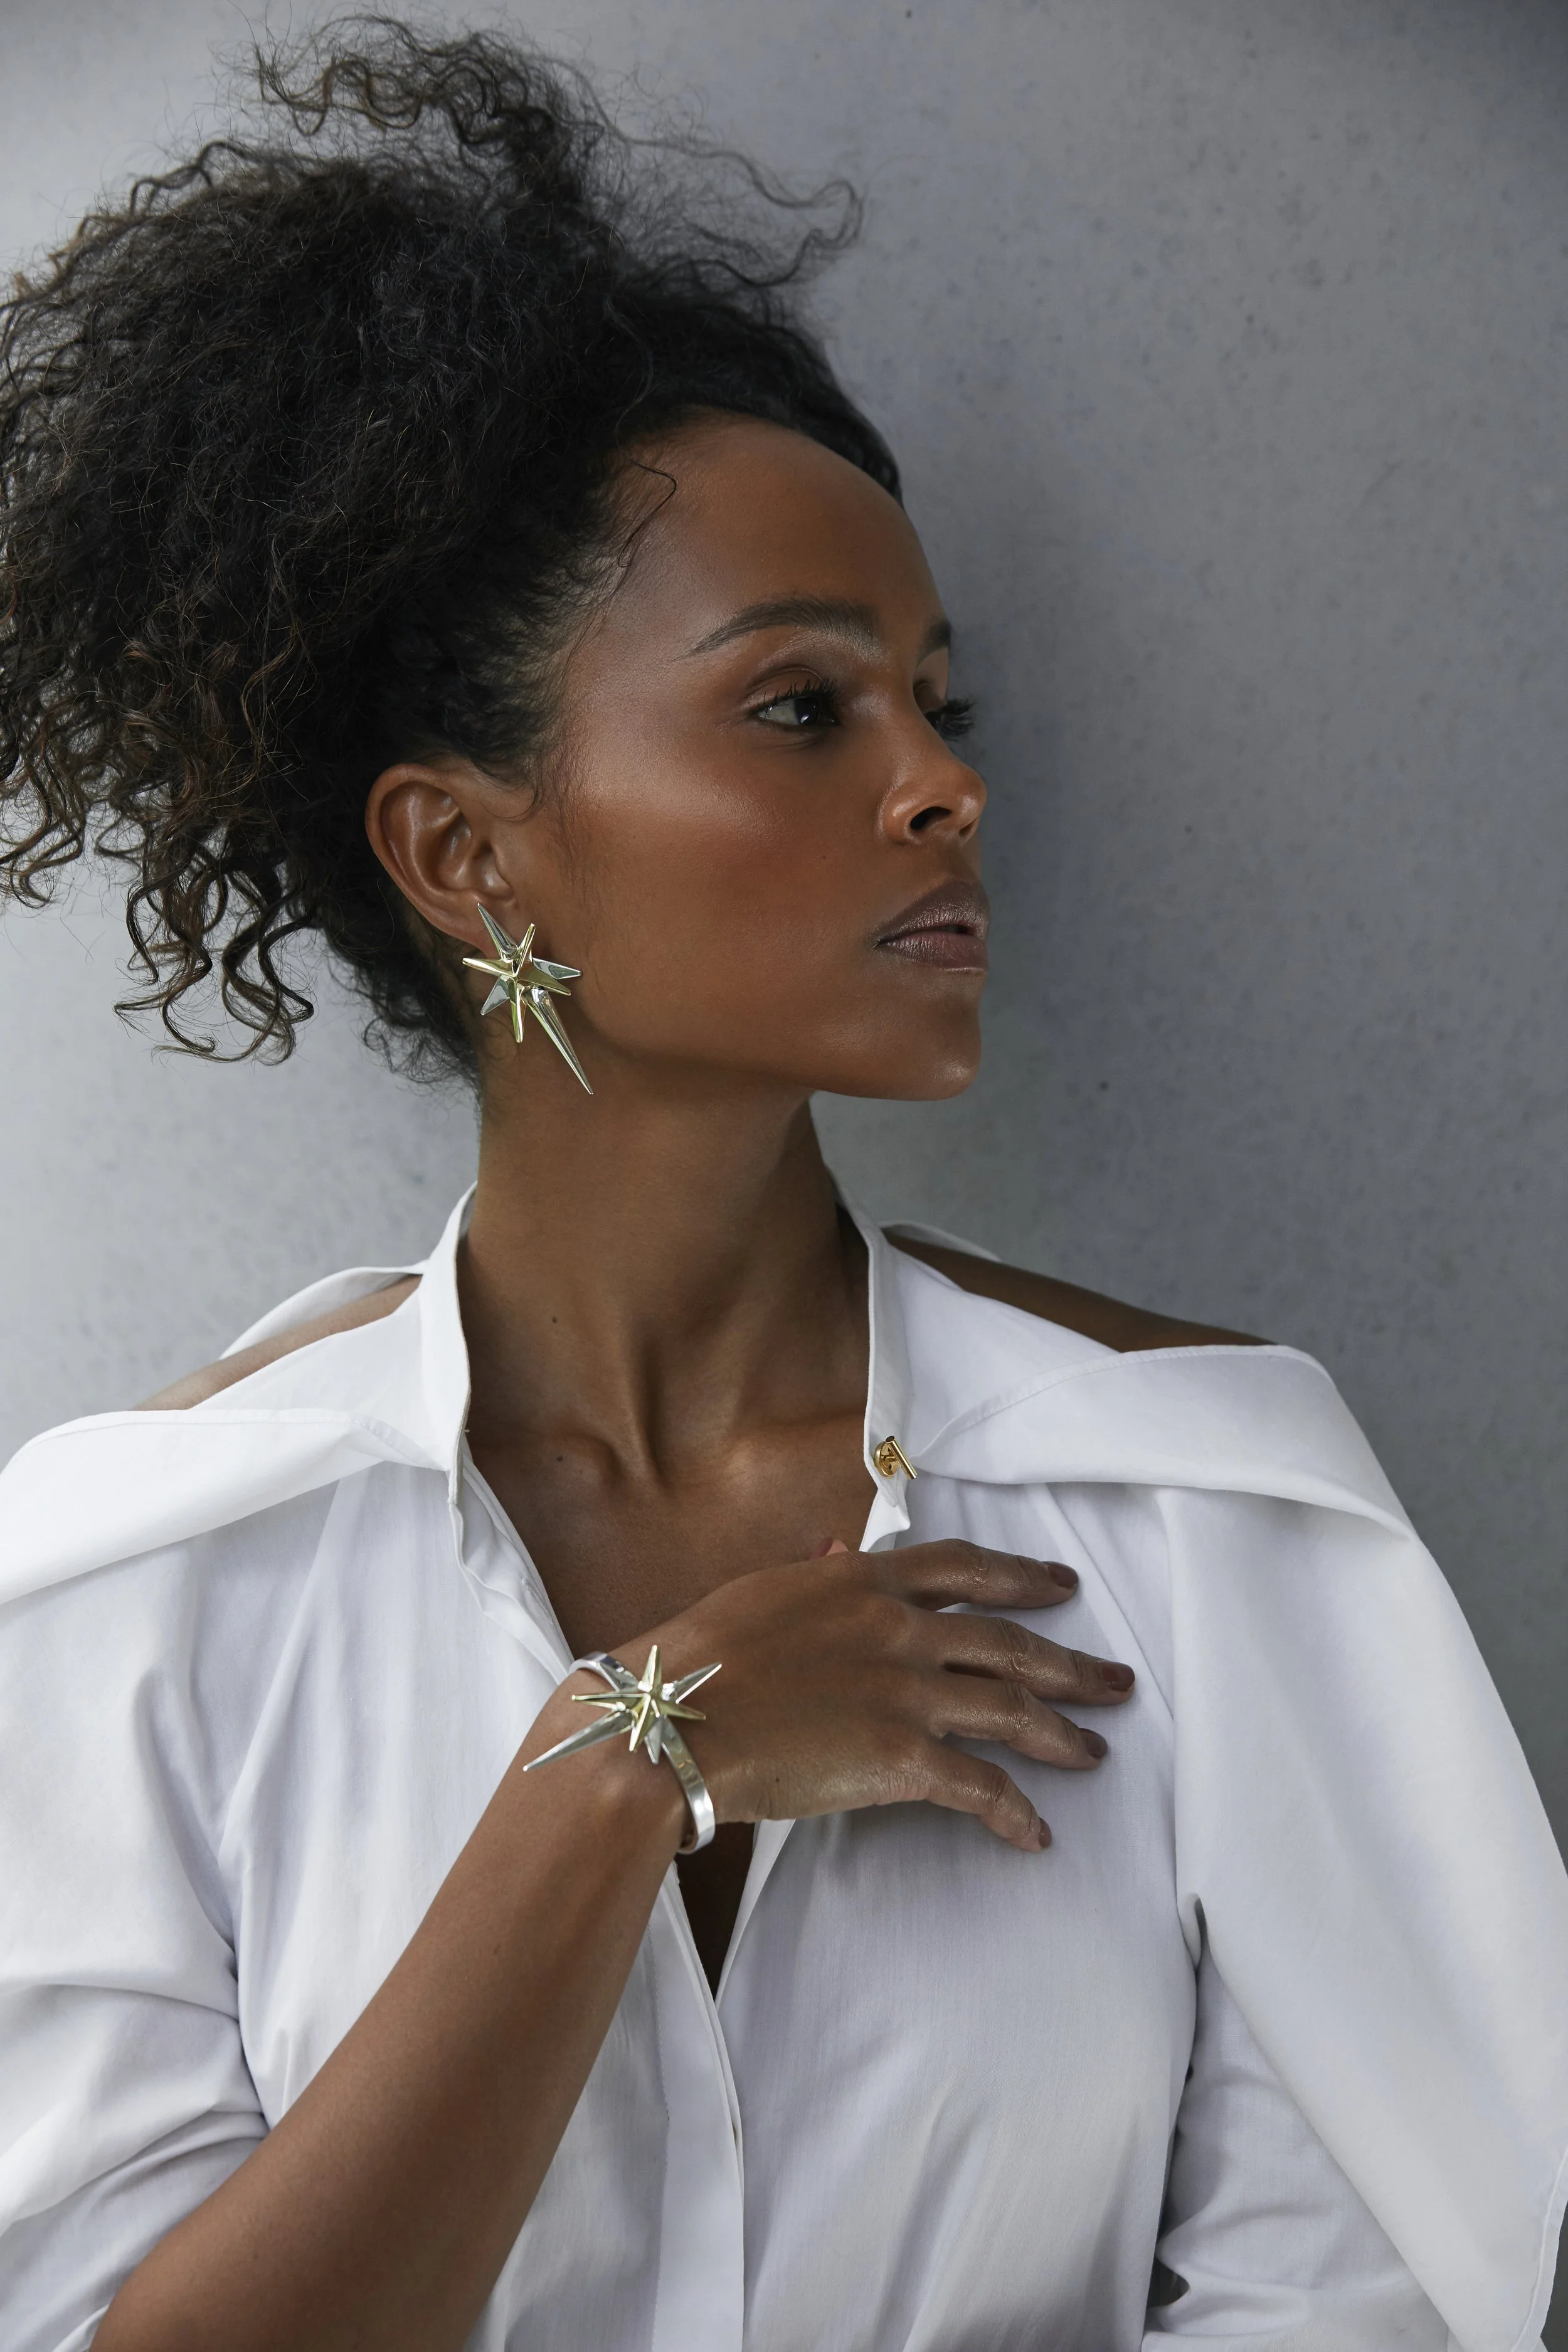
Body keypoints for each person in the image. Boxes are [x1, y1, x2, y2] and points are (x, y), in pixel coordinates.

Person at [1, 23, 1564, 2352]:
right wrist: (620, 1767)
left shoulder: (1210, 1515)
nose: (942, 786)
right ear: (463, 852)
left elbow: (1367, 2304)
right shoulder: (140, 1588)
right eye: (803, 707)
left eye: (942, 701)